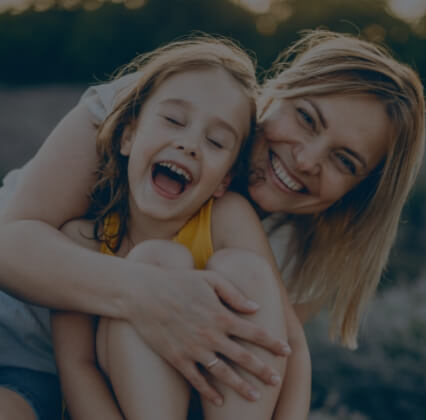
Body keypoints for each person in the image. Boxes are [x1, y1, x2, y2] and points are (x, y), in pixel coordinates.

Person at [0, 29, 424, 420]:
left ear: (359, 189)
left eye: (344, 161)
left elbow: (277, 359)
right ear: (278, 92)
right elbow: (9, 247)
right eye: (307, 118)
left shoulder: (291, 251)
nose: (308, 160)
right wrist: (150, 291)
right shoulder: (168, 108)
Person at [51, 36, 305, 420]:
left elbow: (283, 341)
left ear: (223, 180)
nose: (189, 145)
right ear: (128, 136)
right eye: (173, 120)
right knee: (155, 261)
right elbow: (77, 366)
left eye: (216, 141)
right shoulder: (81, 239)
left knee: (248, 271)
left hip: (220, 404)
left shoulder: (227, 215)